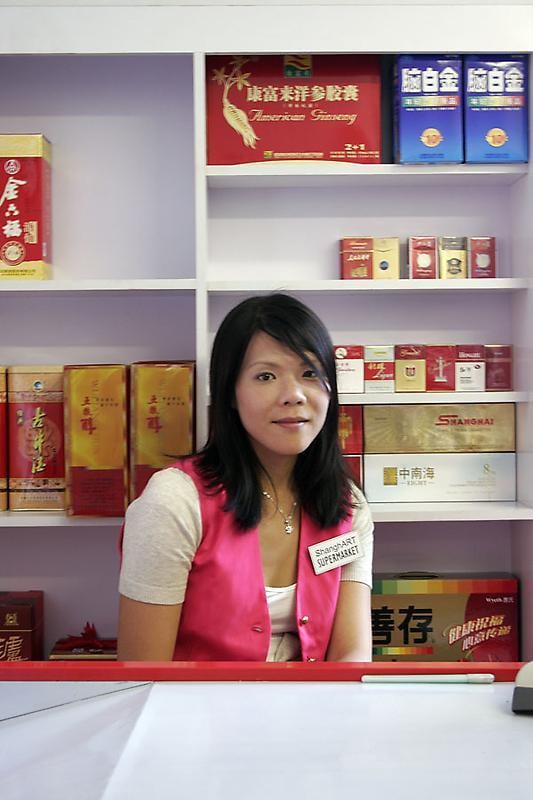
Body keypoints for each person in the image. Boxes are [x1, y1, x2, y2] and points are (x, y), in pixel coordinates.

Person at [118, 293, 374, 662]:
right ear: (231, 393)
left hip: (316, 713)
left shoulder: (347, 504)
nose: (294, 395)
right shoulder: (174, 501)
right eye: (266, 376)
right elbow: (143, 671)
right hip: (193, 715)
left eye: (310, 373)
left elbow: (351, 654)